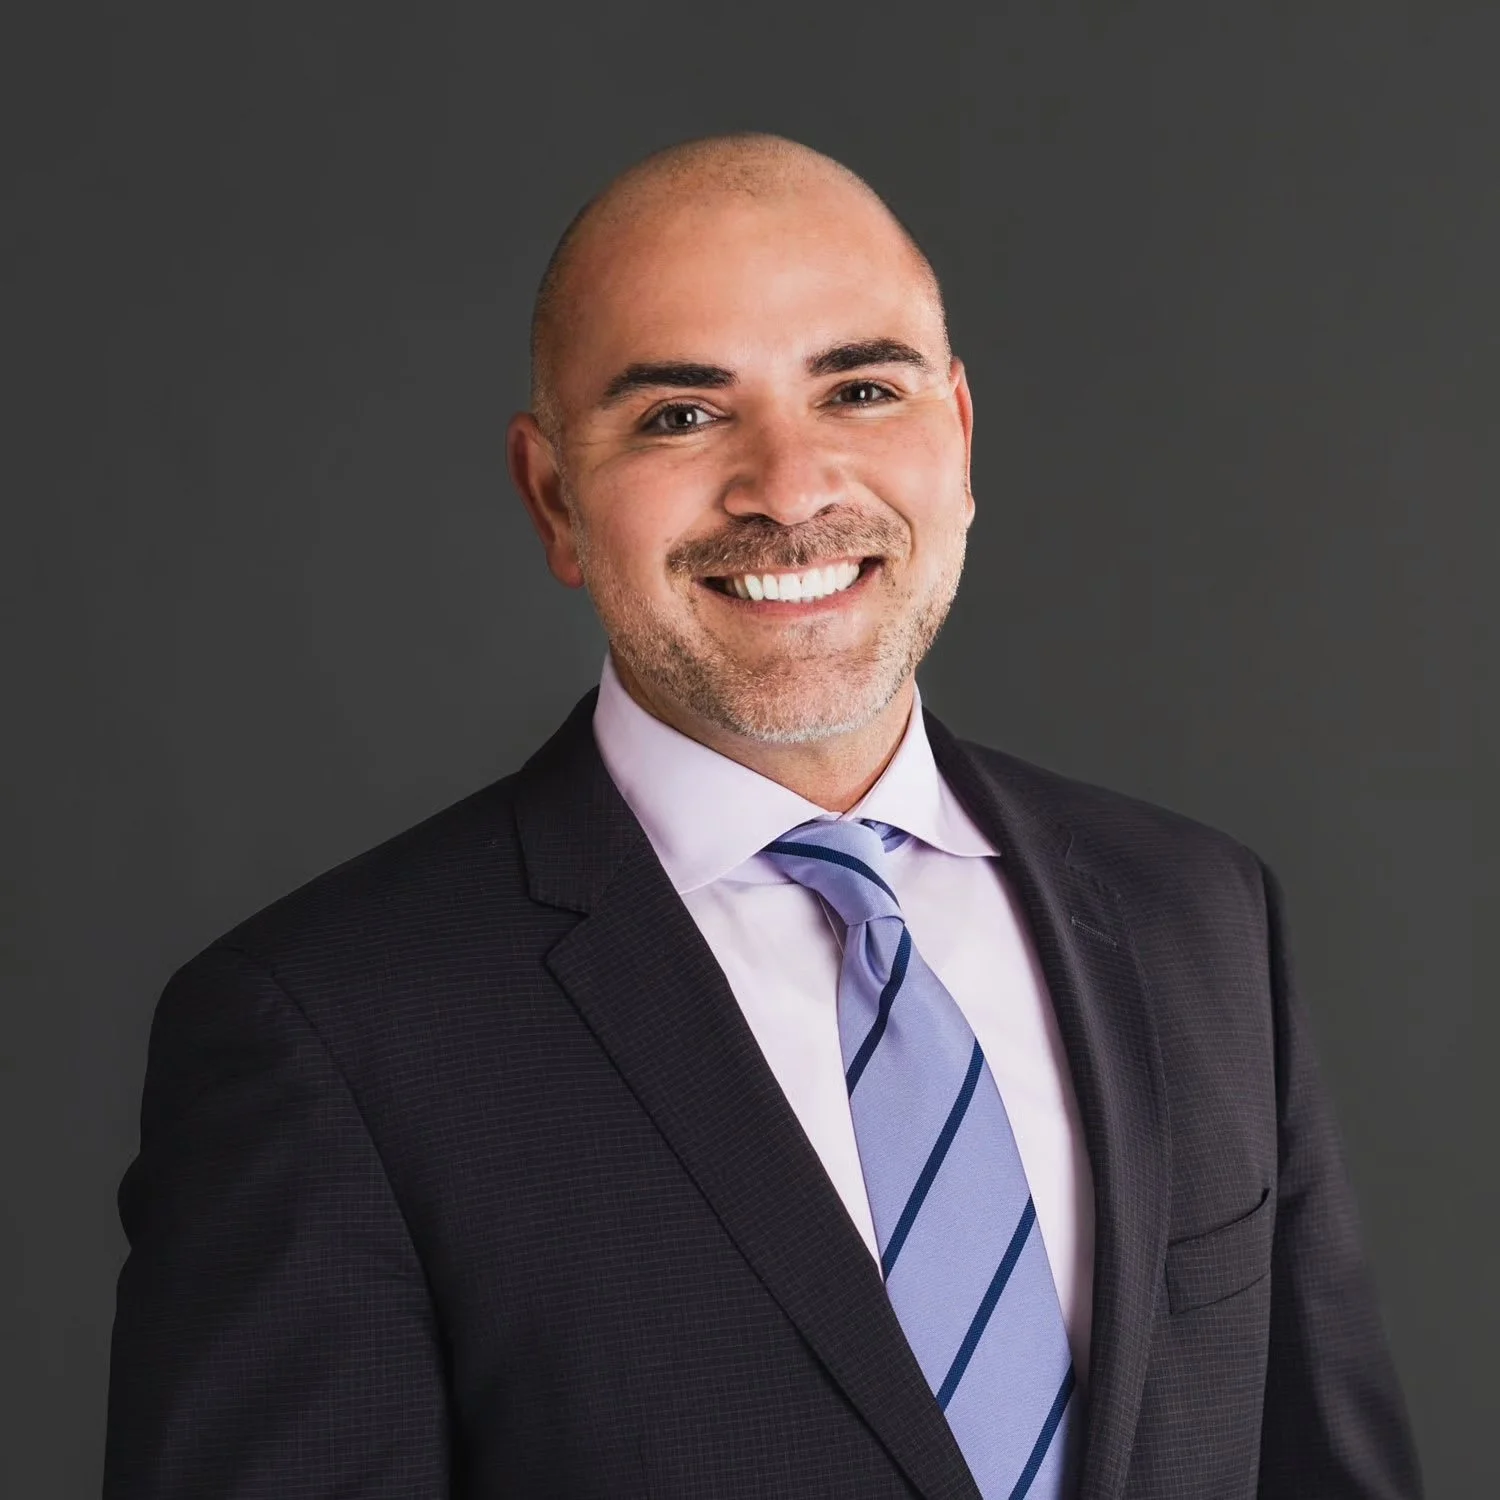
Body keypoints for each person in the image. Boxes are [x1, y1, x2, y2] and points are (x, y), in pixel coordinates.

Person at [102, 133, 1421, 1499]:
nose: (790, 490)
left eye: (859, 389)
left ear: (958, 438)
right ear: (555, 496)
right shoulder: (325, 1035)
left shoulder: (1197, 916)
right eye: (680, 415)